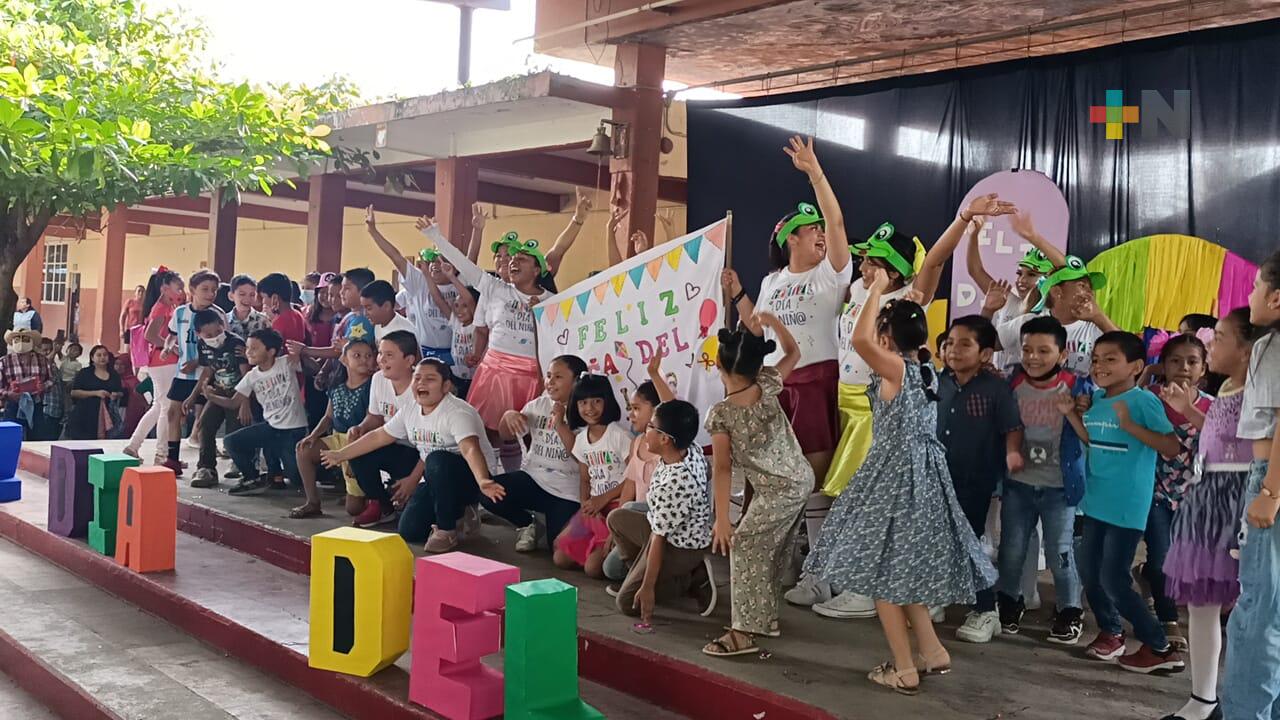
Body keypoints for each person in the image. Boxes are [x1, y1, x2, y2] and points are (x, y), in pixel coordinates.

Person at [786, 192, 1017, 619]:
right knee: (835, 495)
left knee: (872, 503)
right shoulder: (857, 290)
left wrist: (965, 218)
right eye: (864, 259)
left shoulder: (907, 301)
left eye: (872, 260)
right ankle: (826, 574)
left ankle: (862, 587)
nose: (863, 266)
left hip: (878, 412)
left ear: (892, 269)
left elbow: (933, 264)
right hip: (845, 402)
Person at [802, 274, 996, 695]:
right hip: (921, 479)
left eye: (880, 331)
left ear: (887, 338)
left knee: (882, 581)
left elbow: (859, 340)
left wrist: (874, 290)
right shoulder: (927, 368)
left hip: (895, 480)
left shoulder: (897, 369)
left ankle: (904, 668)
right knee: (899, 572)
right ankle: (932, 651)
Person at [722, 137, 852, 547]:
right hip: (774, 384)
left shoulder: (830, 274)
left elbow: (837, 224)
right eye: (809, 229)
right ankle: (771, 549)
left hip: (817, 381)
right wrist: (740, 294)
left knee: (812, 479)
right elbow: (757, 329)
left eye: (819, 228)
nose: (819, 234)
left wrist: (815, 173)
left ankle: (817, 564)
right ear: (789, 240)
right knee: (767, 473)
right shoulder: (771, 281)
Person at [1058, 331, 1183, 672]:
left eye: (1110, 359)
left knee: (1113, 577)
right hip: (1095, 500)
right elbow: (1094, 440)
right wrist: (1071, 415)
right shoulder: (1097, 399)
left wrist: (1131, 426)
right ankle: (1111, 632)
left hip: (1127, 505)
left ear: (1136, 366)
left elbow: (1171, 447)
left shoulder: (1143, 402)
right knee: (1088, 571)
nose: (1100, 366)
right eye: (1096, 359)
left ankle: (1160, 646)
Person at [1160, 309, 1262, 720]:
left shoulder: (1259, 390)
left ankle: (1243, 699)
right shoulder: (1225, 389)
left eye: (1219, 337)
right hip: (1208, 499)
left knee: (1250, 607)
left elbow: (1251, 449)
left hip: (1238, 499)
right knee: (1202, 603)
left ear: (1248, 347)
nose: (1210, 343)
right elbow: (1222, 438)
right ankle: (1202, 699)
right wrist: (1191, 412)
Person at [701, 315, 813, 658]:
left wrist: (722, 519)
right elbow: (794, 352)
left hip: (779, 489)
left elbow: (722, 468)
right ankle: (763, 619)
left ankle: (743, 633)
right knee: (770, 549)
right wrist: (774, 322)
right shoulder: (766, 384)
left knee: (748, 546)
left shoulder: (721, 413)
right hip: (800, 479)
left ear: (717, 363)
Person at [321, 358, 503, 551]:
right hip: (436, 476)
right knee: (409, 530)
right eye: (417, 379)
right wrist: (340, 454)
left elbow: (470, 448)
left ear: (446, 386)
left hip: (473, 480)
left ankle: (447, 530)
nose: (421, 384)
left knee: (437, 459)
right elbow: (378, 436)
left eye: (430, 379)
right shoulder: (410, 410)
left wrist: (483, 480)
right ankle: (452, 512)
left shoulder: (457, 412)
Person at [996, 316, 1089, 646]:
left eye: (1043, 351)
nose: (1033, 357)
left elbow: (1090, 431)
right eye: (1027, 350)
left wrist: (1077, 410)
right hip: (1017, 484)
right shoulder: (1010, 382)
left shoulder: (1078, 387)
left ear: (1063, 354)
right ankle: (1008, 602)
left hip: (1059, 489)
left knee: (1059, 553)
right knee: (1011, 549)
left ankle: (1069, 610)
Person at [936, 315, 1024, 644]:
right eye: (949, 343)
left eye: (965, 344)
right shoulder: (938, 382)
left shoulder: (995, 389)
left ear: (985, 354)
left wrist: (1013, 454)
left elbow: (1011, 427)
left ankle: (987, 609)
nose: (954, 350)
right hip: (939, 476)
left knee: (968, 543)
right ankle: (940, 596)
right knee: (941, 539)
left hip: (975, 478)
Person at [417, 216, 549, 432]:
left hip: (531, 374)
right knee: (483, 430)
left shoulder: (551, 301)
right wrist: (435, 237)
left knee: (524, 433)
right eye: (512, 258)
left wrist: (541, 314)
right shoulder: (495, 287)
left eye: (522, 259)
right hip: (494, 370)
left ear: (537, 271)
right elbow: (464, 265)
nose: (513, 261)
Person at [1222, 251, 1280, 720]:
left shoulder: (1275, 346)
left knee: (1259, 608)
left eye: (1255, 287)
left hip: (1272, 481)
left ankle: (1247, 712)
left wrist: (1270, 492)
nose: (1249, 295)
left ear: (1276, 298)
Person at [1135, 333, 1213, 652]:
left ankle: (1146, 576)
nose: (1183, 367)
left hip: (1192, 497)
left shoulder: (1211, 406)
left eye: (1192, 361)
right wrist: (1146, 375)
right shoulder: (1150, 396)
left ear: (1203, 368)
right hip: (1153, 491)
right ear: (1163, 366)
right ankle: (1168, 620)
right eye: (1175, 361)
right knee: (1162, 558)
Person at [610, 398, 715, 622]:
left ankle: (692, 579)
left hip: (680, 546)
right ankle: (644, 576)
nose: (645, 428)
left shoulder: (677, 481)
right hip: (661, 524)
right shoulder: (687, 447)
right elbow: (708, 471)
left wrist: (647, 587)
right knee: (617, 518)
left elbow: (659, 539)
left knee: (628, 603)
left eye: (651, 426)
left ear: (665, 439)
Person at [485, 354, 590, 552]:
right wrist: (508, 417)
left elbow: (580, 456)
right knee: (488, 490)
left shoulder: (587, 409)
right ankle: (528, 523)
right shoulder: (538, 405)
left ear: (576, 381)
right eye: (548, 376)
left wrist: (560, 423)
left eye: (558, 377)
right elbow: (505, 435)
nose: (550, 382)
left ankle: (552, 523)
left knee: (558, 549)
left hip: (567, 491)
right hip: (534, 479)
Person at [329, 331, 421, 528]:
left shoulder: (420, 388)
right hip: (391, 445)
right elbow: (375, 417)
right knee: (359, 450)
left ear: (409, 360)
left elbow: (432, 448)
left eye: (389, 355)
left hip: (420, 454)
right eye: (380, 353)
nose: (381, 360)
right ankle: (380, 504)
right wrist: (360, 428)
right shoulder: (379, 379)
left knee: (412, 525)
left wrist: (413, 479)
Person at [206, 329, 307, 497]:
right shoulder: (252, 376)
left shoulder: (286, 363)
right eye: (247, 348)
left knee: (297, 479)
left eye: (254, 348)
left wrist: (302, 353)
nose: (248, 353)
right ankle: (252, 478)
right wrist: (211, 396)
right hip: (271, 428)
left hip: (293, 430)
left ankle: (284, 474)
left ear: (271, 351)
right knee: (231, 442)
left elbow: (313, 368)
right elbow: (233, 403)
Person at [553, 374, 631, 578]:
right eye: (583, 402)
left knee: (592, 569)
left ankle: (623, 556)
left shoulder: (618, 436)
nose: (590, 408)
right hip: (594, 507)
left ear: (608, 401)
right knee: (559, 557)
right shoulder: (581, 440)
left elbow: (634, 478)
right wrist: (585, 506)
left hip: (617, 507)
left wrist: (603, 499)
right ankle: (595, 550)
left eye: (597, 401)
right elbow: (585, 480)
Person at [968, 211, 1066, 371]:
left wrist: (1033, 237)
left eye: (1031, 275)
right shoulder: (1006, 299)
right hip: (1004, 386)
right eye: (1019, 273)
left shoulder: (1054, 314)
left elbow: (1066, 269)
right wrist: (974, 236)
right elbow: (975, 270)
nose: (1021, 280)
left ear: (1049, 279)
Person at [995, 254, 1118, 376]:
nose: (1090, 293)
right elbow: (985, 345)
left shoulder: (1096, 326)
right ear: (1057, 292)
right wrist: (988, 311)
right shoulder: (1029, 323)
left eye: (1090, 288)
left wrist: (1099, 317)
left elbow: (1131, 354)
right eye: (1082, 286)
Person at [294, 339, 374, 519]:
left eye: (369, 356)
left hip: (360, 443)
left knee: (353, 509)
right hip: (338, 438)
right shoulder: (337, 386)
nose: (364, 360)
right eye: (357, 355)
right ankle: (312, 502)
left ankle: (368, 497)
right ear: (344, 360)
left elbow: (373, 421)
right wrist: (313, 436)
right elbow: (328, 416)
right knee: (303, 449)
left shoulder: (373, 386)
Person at [602, 364, 668, 583]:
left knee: (629, 509)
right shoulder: (637, 442)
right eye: (630, 408)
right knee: (609, 570)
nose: (630, 415)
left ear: (657, 409)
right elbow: (629, 487)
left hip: (663, 520)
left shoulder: (668, 446)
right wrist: (616, 531)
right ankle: (643, 571)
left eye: (637, 408)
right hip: (638, 522)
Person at [365, 207, 455, 362]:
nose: (435, 264)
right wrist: (373, 231)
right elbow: (396, 257)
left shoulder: (459, 284)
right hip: (423, 352)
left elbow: (470, 260)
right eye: (432, 259)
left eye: (442, 260)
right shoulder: (420, 281)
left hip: (455, 356)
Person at [162, 270, 225, 475]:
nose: (210, 294)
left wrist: (198, 361)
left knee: (204, 421)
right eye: (205, 289)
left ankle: (205, 465)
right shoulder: (180, 313)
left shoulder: (218, 315)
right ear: (192, 290)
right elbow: (172, 335)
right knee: (173, 413)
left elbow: (221, 347)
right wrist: (168, 347)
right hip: (183, 374)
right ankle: (172, 459)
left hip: (206, 374)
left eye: (214, 290)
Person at [124, 268, 183, 463]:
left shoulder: (166, 307)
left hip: (160, 362)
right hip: (163, 361)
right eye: (178, 287)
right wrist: (171, 347)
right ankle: (162, 454)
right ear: (165, 288)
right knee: (166, 407)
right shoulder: (161, 308)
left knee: (158, 406)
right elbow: (150, 335)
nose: (181, 291)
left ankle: (134, 445)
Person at [186, 310, 249, 489]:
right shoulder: (203, 346)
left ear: (223, 325)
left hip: (237, 394)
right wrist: (193, 395)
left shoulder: (236, 343)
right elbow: (208, 370)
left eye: (218, 332)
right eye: (208, 335)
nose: (214, 337)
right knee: (204, 424)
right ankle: (206, 468)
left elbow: (246, 375)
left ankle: (242, 465)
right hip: (217, 393)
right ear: (199, 334)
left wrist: (245, 402)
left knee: (234, 428)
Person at [424, 264, 480, 398]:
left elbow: (470, 300)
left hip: (475, 379)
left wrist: (451, 277)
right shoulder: (455, 322)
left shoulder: (478, 324)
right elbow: (438, 299)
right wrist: (426, 274)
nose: (459, 310)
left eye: (464, 306)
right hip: (456, 376)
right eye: (456, 306)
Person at [0, 328, 54, 437]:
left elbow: (51, 380)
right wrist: (7, 393)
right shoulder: (4, 361)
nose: (21, 342)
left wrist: (43, 386)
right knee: (10, 437)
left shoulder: (43, 360)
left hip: (36, 404)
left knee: (37, 438)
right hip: (13, 405)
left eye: (25, 338)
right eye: (17, 339)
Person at [66, 345, 123, 440]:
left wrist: (116, 395)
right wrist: (95, 393)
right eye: (99, 355)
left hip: (106, 414)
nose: (102, 358)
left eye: (105, 355)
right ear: (92, 358)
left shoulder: (114, 374)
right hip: (84, 415)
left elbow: (120, 392)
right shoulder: (85, 373)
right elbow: (74, 392)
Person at [361, 280, 420, 346]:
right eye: (363, 308)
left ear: (387, 306)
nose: (365, 313)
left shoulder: (403, 333)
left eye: (368, 308)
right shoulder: (378, 322)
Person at [226, 275, 270, 339]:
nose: (247, 299)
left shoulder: (264, 321)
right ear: (231, 296)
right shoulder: (223, 320)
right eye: (242, 294)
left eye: (252, 295)